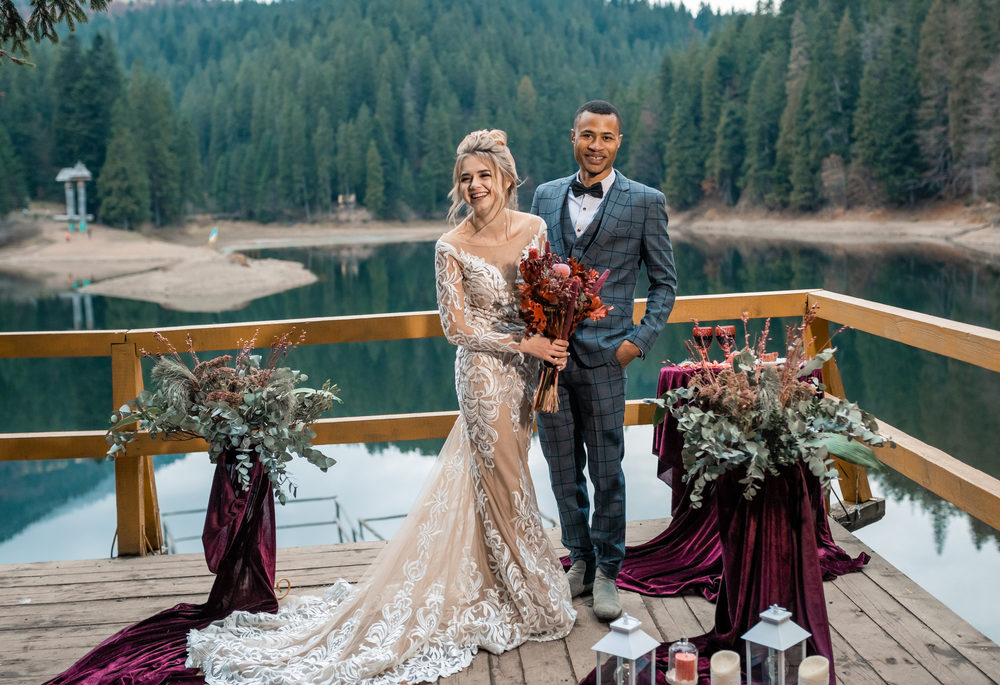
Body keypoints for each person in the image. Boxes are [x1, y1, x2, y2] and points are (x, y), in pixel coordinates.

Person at [185, 129, 576, 684]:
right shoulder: (451, 246)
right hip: (485, 375)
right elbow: (455, 328)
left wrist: (550, 338)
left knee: (499, 482)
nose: (474, 186)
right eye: (465, 178)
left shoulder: (535, 230)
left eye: (483, 176)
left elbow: (544, 297)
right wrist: (525, 344)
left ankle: (497, 580)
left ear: (507, 179)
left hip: (525, 375)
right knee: (507, 482)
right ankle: (529, 592)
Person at [530, 100, 677, 622]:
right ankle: (580, 559)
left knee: (608, 469)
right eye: (587, 135)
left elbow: (664, 284)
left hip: (607, 358)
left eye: (606, 138)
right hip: (549, 358)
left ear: (619, 143)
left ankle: (610, 571)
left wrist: (636, 344)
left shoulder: (645, 201)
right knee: (561, 466)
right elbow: (533, 269)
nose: (596, 145)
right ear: (572, 136)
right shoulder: (544, 195)